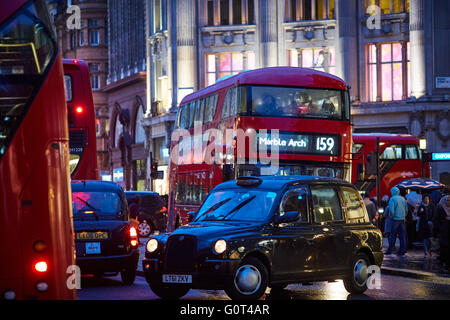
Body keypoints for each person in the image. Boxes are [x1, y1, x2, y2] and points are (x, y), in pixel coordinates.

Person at [385, 186, 408, 256]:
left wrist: (391, 216)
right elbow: (406, 210)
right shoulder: (403, 199)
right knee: (402, 236)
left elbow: (391, 210)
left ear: (392, 192)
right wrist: (403, 216)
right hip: (402, 219)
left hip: (395, 220)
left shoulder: (392, 199)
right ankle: (402, 250)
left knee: (392, 235)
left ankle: (390, 250)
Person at [433, 195, 450, 268]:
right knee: (444, 246)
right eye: (447, 200)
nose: (448, 202)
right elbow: (435, 220)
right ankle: (443, 261)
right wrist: (439, 229)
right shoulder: (440, 208)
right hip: (443, 231)